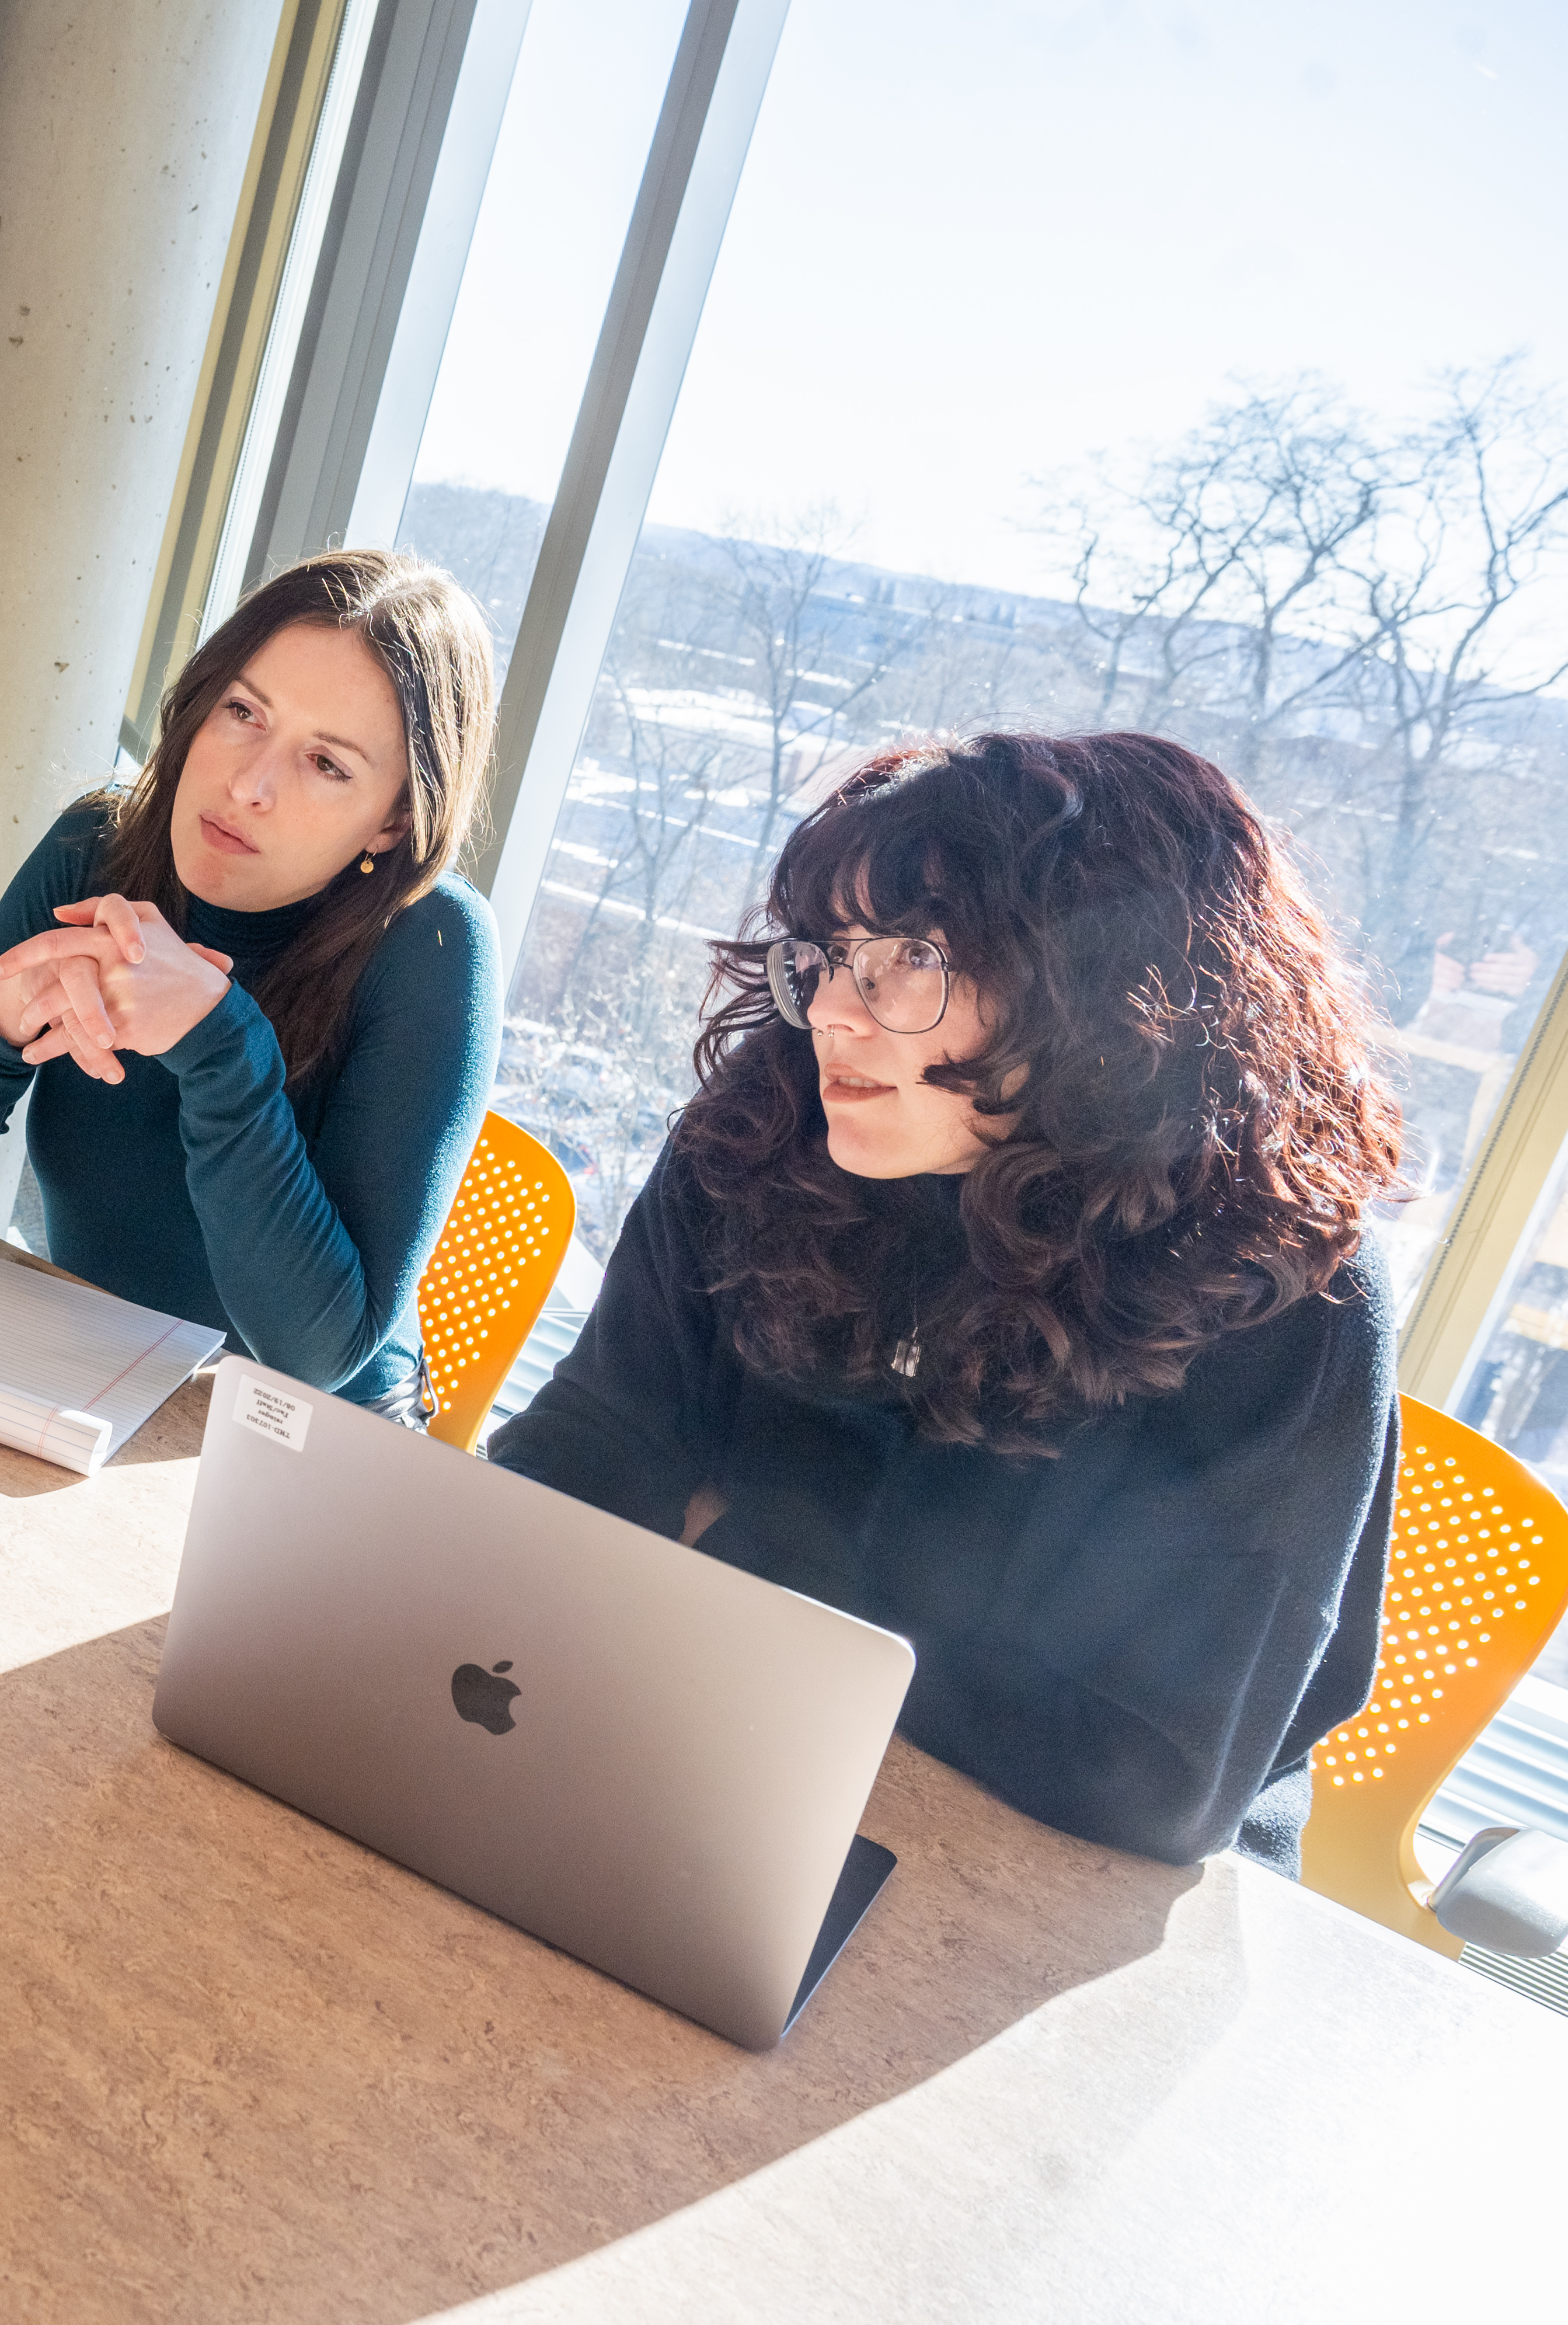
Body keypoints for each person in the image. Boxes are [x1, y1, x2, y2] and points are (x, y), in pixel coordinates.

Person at [492, 732, 1402, 1870]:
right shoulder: (765, 1133)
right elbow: (589, 1449)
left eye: (912, 956)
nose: (832, 1007)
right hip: (715, 1753)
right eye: (829, 951)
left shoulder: (1286, 1287)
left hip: (1085, 1885)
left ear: (1111, 998)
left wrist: (731, 1554)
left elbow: (1143, 1771)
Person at [0, 549, 504, 1421]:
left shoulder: (430, 945)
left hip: (296, 1441)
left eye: (328, 764)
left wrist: (221, 1043)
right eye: (243, 711)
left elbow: (313, 1354)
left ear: (395, 819)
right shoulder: (99, 851)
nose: (248, 785)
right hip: (86, 1371)